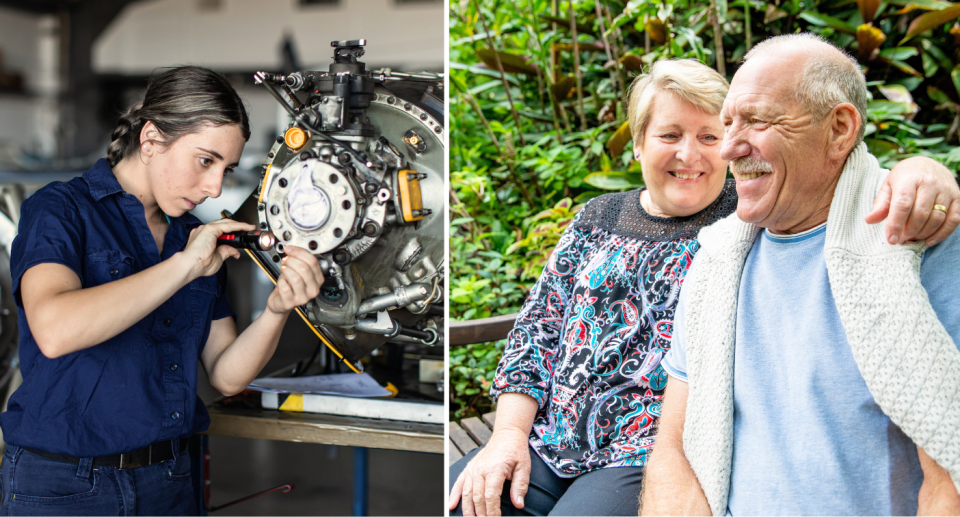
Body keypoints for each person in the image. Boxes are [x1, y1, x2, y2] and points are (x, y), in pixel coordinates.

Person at [448, 58, 960, 516]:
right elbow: (538, 328)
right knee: (458, 498)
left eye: (711, 136)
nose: (692, 153)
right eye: (669, 135)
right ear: (638, 143)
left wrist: (926, 171)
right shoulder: (604, 218)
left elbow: (847, 184)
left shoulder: (742, 221)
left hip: (637, 456)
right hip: (552, 440)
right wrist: (509, 436)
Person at [643, 34, 960, 516]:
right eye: (727, 123)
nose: (727, 149)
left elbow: (948, 480)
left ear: (838, 128)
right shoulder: (716, 261)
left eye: (756, 121)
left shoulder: (918, 241)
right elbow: (676, 446)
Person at [0, 66, 324, 516]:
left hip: (168, 481)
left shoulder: (193, 238)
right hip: (64, 484)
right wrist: (185, 265)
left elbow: (227, 375)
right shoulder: (59, 210)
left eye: (226, 169)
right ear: (150, 140)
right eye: (205, 161)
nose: (215, 187)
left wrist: (276, 309)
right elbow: (55, 329)